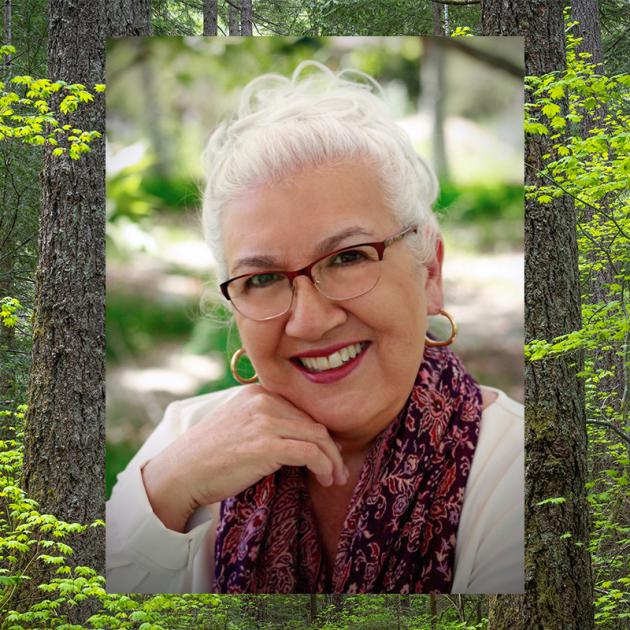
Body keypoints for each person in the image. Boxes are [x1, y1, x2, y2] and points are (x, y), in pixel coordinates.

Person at [106, 61, 523, 595]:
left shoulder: (519, 473)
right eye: (262, 278)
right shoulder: (182, 444)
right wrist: (165, 491)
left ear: (430, 272)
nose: (309, 320)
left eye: (348, 258)